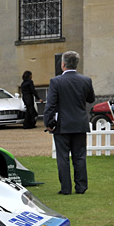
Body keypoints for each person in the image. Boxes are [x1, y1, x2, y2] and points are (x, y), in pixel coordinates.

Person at [44, 50, 96, 195]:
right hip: (80, 123)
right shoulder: (86, 80)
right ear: (76, 64)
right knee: (80, 157)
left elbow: (51, 104)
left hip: (63, 124)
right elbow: (91, 99)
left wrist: (48, 122)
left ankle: (66, 188)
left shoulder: (56, 81)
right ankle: (81, 187)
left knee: (63, 158)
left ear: (63, 64)